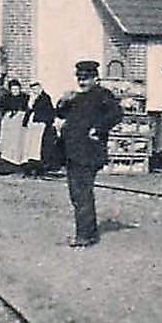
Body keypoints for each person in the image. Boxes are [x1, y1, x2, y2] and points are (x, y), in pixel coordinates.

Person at [54, 60, 123, 247]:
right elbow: (61, 114)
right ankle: (87, 232)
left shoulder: (102, 95)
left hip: (88, 151)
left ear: (96, 78)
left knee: (81, 192)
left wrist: (99, 129)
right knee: (77, 193)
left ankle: (85, 235)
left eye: (86, 78)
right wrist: (62, 101)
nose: (82, 82)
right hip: (73, 151)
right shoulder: (77, 97)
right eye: (80, 78)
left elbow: (117, 114)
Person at [0, 78, 31, 174]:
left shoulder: (25, 98)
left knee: (19, 142)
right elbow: (2, 109)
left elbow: (27, 110)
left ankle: (19, 162)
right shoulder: (6, 98)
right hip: (9, 121)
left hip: (19, 121)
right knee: (8, 142)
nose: (15, 91)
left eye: (17, 89)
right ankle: (8, 162)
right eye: (13, 89)